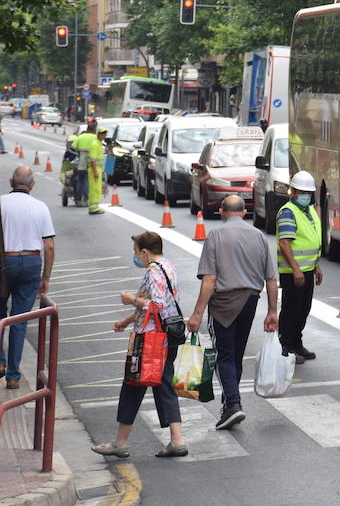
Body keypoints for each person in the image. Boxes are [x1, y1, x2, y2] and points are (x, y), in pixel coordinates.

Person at [92, 232, 187, 459]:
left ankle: (121, 442)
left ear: (145, 252)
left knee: (133, 386)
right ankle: (176, 440)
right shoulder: (168, 266)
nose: (135, 257)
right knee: (162, 384)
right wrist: (126, 321)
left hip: (150, 341)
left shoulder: (153, 271)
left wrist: (131, 299)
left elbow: (157, 305)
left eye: (135, 252)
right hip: (166, 337)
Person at [187, 194, 279, 430]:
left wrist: (197, 313)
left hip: (224, 304)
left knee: (223, 355)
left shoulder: (216, 235)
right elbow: (271, 279)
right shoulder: (258, 236)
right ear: (244, 212)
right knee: (235, 354)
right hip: (250, 300)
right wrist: (272, 311)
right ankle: (229, 405)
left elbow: (209, 279)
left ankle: (234, 404)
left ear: (221, 212)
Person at [0, 167, 55, 388]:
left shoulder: (1, 202)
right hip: (31, 262)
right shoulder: (40, 207)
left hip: (4, 262)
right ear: (32, 185)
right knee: (19, 320)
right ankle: (13, 377)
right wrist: (46, 277)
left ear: (11, 181)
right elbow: (49, 245)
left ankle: (0, 363)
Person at [276, 172, 323, 363]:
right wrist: (296, 269)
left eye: (309, 192)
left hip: (307, 270)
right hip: (293, 272)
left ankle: (296, 343)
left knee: (303, 309)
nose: (306, 195)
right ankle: (285, 347)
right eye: (302, 192)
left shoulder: (309, 210)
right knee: (291, 310)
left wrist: (316, 266)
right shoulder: (288, 212)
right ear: (293, 191)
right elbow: (285, 243)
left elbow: (312, 239)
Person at [71, 119, 105, 213]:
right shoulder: (95, 139)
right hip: (92, 163)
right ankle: (86, 200)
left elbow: (73, 147)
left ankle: (78, 200)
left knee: (81, 180)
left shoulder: (81, 137)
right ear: (95, 129)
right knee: (89, 183)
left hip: (82, 161)